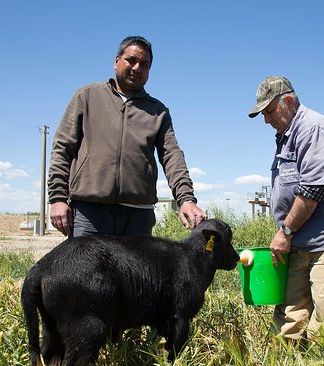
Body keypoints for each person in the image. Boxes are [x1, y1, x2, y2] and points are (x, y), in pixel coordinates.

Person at [48, 36, 206, 237]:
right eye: (131, 60)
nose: (137, 68)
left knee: (136, 270)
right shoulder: (87, 96)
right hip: (90, 213)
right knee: (86, 269)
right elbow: (62, 147)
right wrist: (58, 198)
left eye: (145, 64)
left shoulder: (158, 111)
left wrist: (186, 199)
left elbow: (172, 156)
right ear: (116, 61)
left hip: (137, 216)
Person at [248, 76, 324, 343]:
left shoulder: (315, 128)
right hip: (300, 240)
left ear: (287, 102)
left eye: (269, 111)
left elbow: (313, 189)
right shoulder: (285, 136)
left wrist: (285, 231)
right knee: (291, 314)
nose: (266, 120)